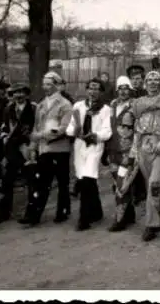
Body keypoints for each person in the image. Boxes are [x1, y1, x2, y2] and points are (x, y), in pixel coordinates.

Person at [130, 71, 160, 242]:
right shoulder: (138, 103)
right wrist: (134, 151)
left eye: (156, 79)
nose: (152, 82)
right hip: (144, 144)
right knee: (151, 184)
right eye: (149, 79)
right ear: (144, 83)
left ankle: (151, 224)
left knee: (154, 182)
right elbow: (136, 128)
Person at [23, 71, 73, 227]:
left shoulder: (65, 105)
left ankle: (63, 212)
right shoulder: (41, 105)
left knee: (63, 183)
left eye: (49, 84)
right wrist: (33, 146)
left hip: (60, 149)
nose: (45, 87)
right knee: (41, 182)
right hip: (44, 149)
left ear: (57, 85)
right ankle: (33, 215)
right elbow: (36, 126)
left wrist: (41, 135)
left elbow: (63, 128)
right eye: (44, 84)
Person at [66, 78, 112, 231]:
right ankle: (97, 211)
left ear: (101, 92)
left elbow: (107, 130)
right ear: (86, 90)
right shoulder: (78, 106)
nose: (93, 92)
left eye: (97, 89)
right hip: (80, 147)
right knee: (87, 180)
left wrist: (95, 135)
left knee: (87, 178)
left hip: (95, 146)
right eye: (90, 88)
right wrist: (75, 131)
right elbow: (70, 126)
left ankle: (83, 218)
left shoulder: (105, 109)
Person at [0, 83, 37, 224]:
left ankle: (31, 213)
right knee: (7, 179)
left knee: (31, 180)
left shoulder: (33, 108)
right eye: (15, 92)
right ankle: (4, 211)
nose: (18, 95)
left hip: (27, 148)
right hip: (12, 150)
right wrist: (4, 137)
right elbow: (3, 126)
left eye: (21, 92)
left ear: (26, 94)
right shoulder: (8, 109)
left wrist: (31, 146)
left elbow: (37, 127)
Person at [106, 76, 138, 232]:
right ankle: (129, 214)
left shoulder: (135, 106)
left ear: (130, 89)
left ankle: (119, 220)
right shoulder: (112, 105)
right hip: (113, 152)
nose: (123, 91)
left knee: (121, 184)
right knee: (116, 184)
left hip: (127, 152)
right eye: (120, 88)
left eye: (126, 88)